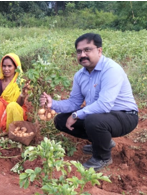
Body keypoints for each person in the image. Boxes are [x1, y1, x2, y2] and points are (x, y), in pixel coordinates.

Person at [40, 33, 139, 171]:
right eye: (79, 51)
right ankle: (102, 142)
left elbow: (104, 105)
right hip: (102, 116)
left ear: (99, 51)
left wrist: (76, 115)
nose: (82, 55)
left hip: (125, 115)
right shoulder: (80, 75)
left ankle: (102, 157)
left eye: (87, 50)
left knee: (93, 120)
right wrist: (53, 104)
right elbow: (74, 103)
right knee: (61, 120)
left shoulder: (111, 70)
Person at [0, 53, 28, 133]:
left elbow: (19, 104)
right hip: (3, 111)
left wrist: (22, 93)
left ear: (16, 67)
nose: (6, 69)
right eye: (4, 66)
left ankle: (15, 129)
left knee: (12, 106)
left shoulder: (21, 83)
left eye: (9, 66)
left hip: (15, 112)